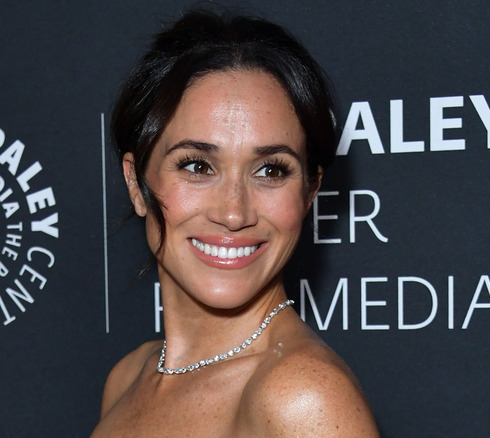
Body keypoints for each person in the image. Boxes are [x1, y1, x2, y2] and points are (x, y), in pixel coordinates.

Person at [91, 10, 379, 438]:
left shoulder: (301, 397)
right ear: (137, 183)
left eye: (271, 171)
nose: (233, 213)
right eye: (197, 165)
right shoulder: (128, 377)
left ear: (310, 192)